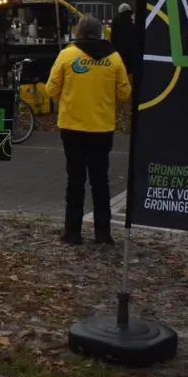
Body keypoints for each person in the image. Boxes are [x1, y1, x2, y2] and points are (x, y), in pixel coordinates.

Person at [46, 15, 132, 246]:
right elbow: (124, 92)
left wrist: (66, 100)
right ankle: (103, 234)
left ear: (78, 32)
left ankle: (72, 233)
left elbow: (51, 87)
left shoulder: (67, 55)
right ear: (100, 32)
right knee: (100, 180)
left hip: (72, 125)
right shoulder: (114, 58)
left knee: (75, 180)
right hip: (102, 127)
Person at [110, 3, 136, 79]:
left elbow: (113, 35)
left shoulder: (116, 20)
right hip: (131, 48)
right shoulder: (132, 19)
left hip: (119, 48)